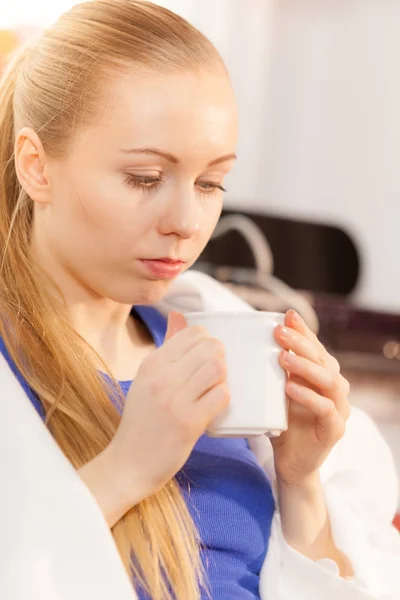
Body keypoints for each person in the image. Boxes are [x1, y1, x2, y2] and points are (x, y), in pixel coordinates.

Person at [0, 1, 398, 599]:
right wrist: (125, 469)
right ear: (37, 167)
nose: (188, 222)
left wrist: (300, 482)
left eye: (211, 183)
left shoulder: (220, 349)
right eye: (144, 178)